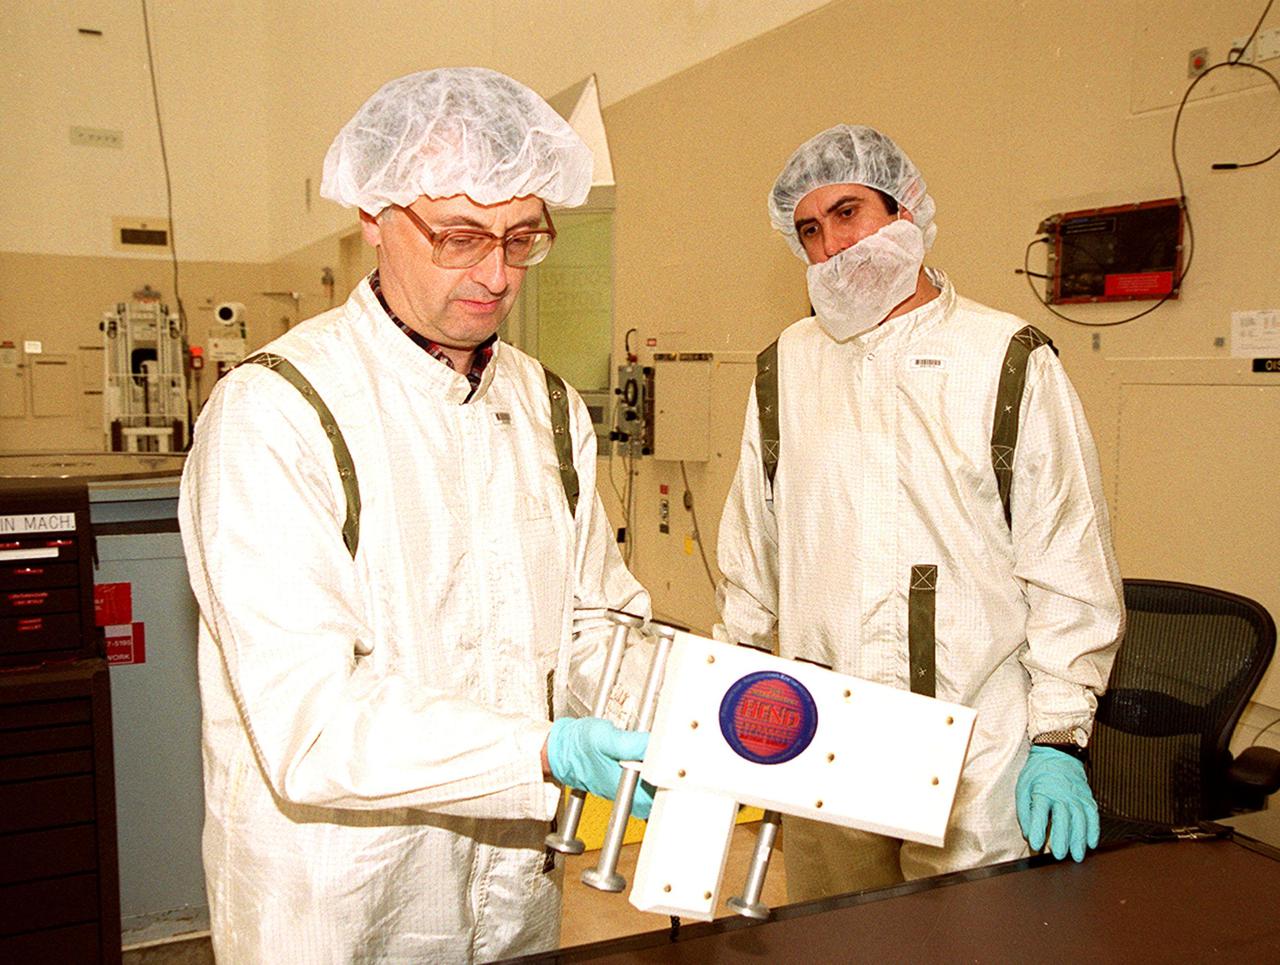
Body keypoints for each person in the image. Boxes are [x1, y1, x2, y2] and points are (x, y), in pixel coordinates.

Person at [179, 67, 654, 963]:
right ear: (373, 214)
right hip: (341, 891)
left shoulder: (546, 405)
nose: (496, 273)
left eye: (523, 239)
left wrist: (676, 713)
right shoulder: (278, 410)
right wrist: (544, 752)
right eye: (462, 236)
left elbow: (593, 621)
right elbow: (313, 721)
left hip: (511, 887)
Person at [715, 124, 1125, 901]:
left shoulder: (1005, 358)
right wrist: (726, 700)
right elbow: (751, 551)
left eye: (847, 212)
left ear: (906, 211)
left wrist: (1059, 734)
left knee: (968, 944)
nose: (830, 244)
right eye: (808, 229)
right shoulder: (788, 367)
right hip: (824, 734)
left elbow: (1069, 560)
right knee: (833, 941)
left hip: (976, 745)